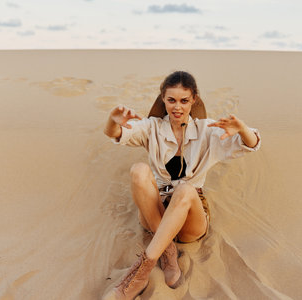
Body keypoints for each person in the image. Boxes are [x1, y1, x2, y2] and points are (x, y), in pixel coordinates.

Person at [104, 71, 261, 299]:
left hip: (190, 214)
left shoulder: (207, 130)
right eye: (171, 100)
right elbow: (116, 133)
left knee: (185, 189)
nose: (177, 107)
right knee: (138, 171)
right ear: (163, 100)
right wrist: (112, 120)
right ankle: (167, 252)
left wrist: (243, 129)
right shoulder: (153, 127)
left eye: (184, 100)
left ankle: (139, 273)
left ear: (194, 100)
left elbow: (252, 143)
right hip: (155, 211)